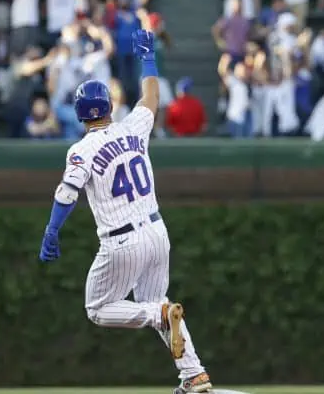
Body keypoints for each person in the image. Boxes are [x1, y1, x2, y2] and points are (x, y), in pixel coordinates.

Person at [37, 29, 213, 394]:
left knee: (98, 308)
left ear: (80, 114)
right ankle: (194, 374)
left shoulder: (81, 150)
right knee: (159, 301)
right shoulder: (134, 127)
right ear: (109, 106)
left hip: (122, 240)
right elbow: (151, 95)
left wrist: (52, 230)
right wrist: (147, 56)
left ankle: (158, 316)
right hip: (157, 231)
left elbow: (66, 193)